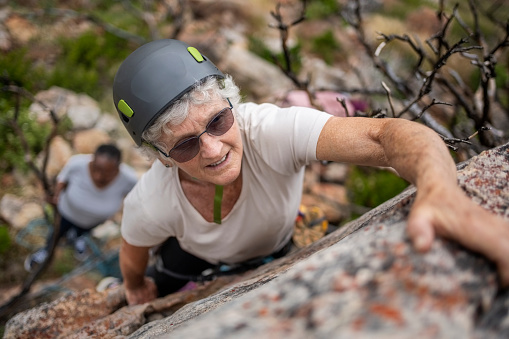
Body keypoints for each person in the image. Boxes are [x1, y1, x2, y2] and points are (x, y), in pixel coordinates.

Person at [112, 39, 509, 305]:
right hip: (189, 256)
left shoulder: (269, 130)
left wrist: (441, 190)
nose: (213, 150)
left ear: (233, 103)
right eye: (184, 144)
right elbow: (133, 249)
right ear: (160, 156)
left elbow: (383, 136)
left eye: (217, 121)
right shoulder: (152, 200)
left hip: (275, 247)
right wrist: (134, 288)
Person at [24, 143, 138, 272]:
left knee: (83, 231)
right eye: (96, 169)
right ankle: (45, 251)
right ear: (92, 159)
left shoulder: (128, 178)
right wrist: (56, 195)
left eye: (107, 172)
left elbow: (137, 196)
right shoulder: (76, 164)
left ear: (117, 168)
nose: (99, 176)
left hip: (93, 221)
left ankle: (79, 239)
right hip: (66, 213)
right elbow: (62, 179)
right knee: (57, 233)